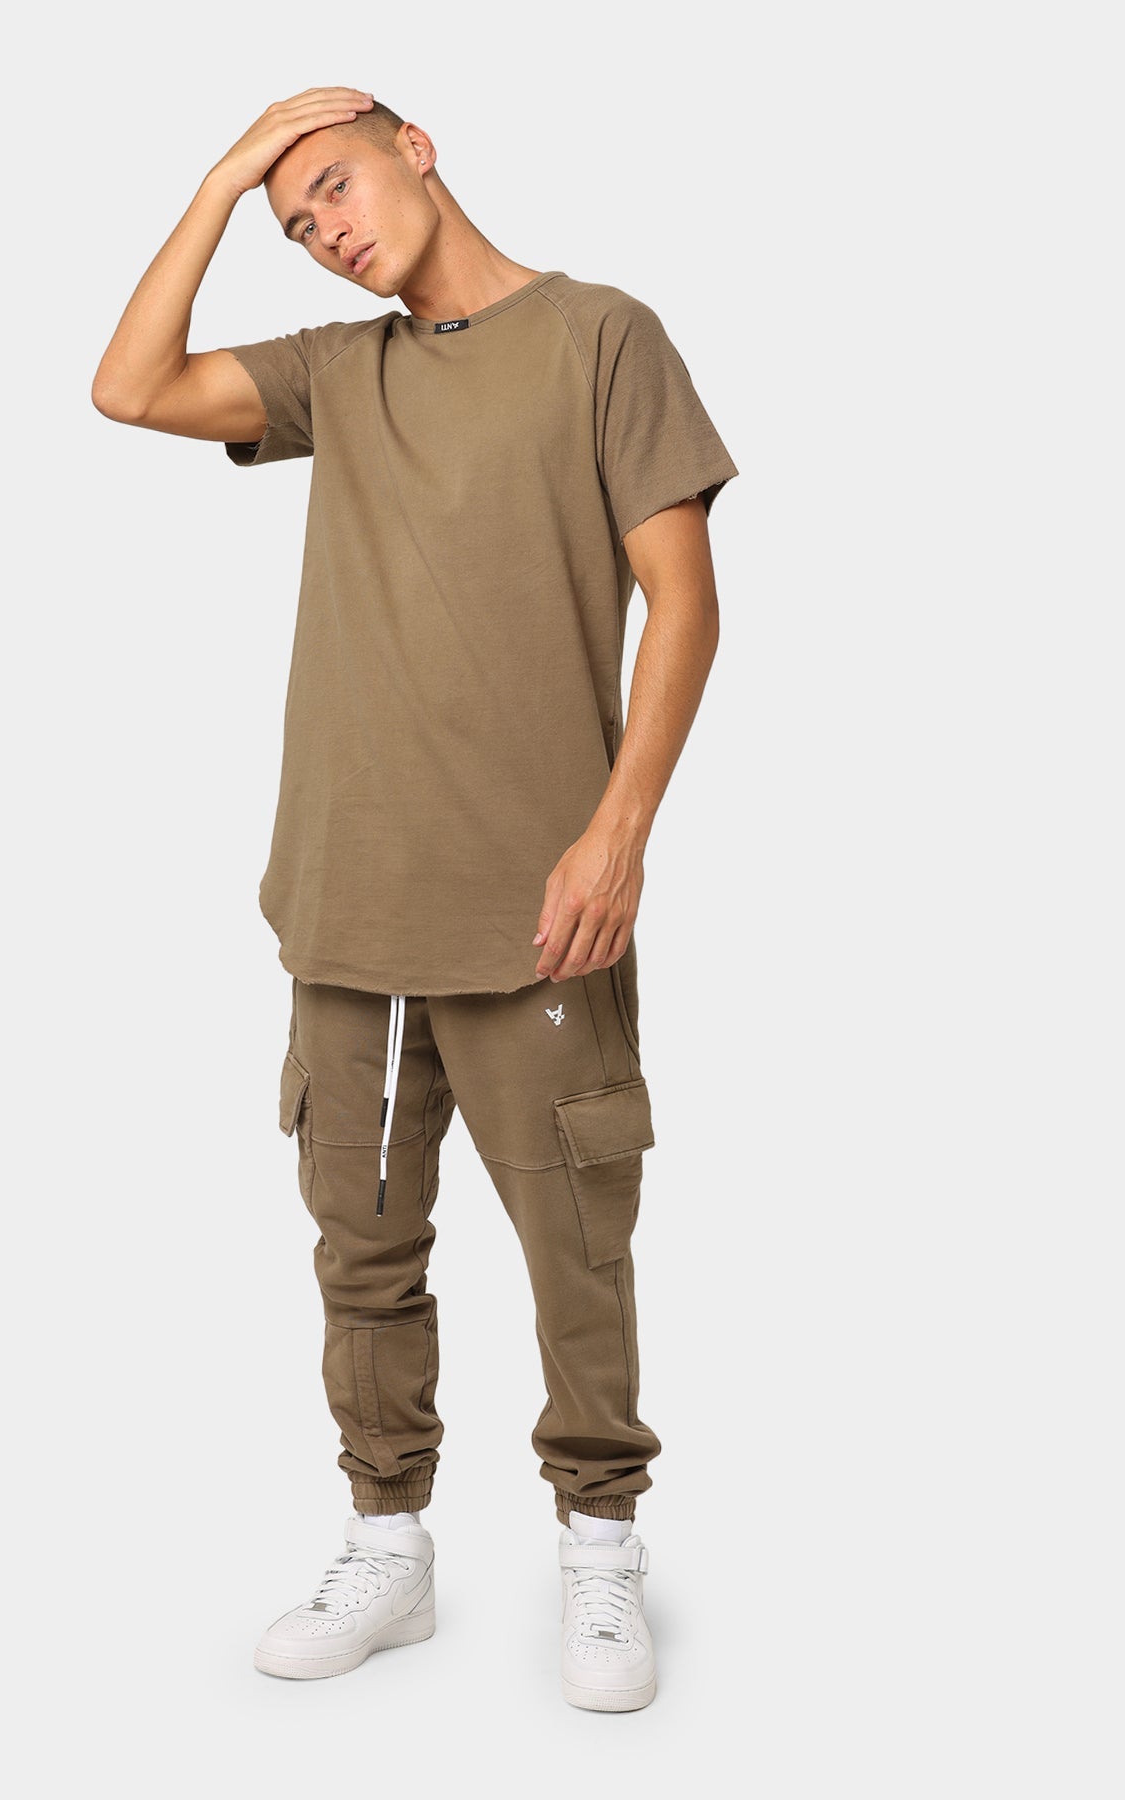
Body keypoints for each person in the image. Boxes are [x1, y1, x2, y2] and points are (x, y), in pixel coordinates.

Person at [92, 87, 739, 1713]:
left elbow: (683, 601)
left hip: (539, 909)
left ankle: (601, 1547)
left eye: (333, 184)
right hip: (348, 901)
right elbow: (128, 387)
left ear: (419, 148)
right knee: (362, 1252)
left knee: (577, 1249)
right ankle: (389, 1541)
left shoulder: (601, 336)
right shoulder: (337, 371)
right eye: (296, 222)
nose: (327, 229)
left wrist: (619, 834)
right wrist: (223, 178)